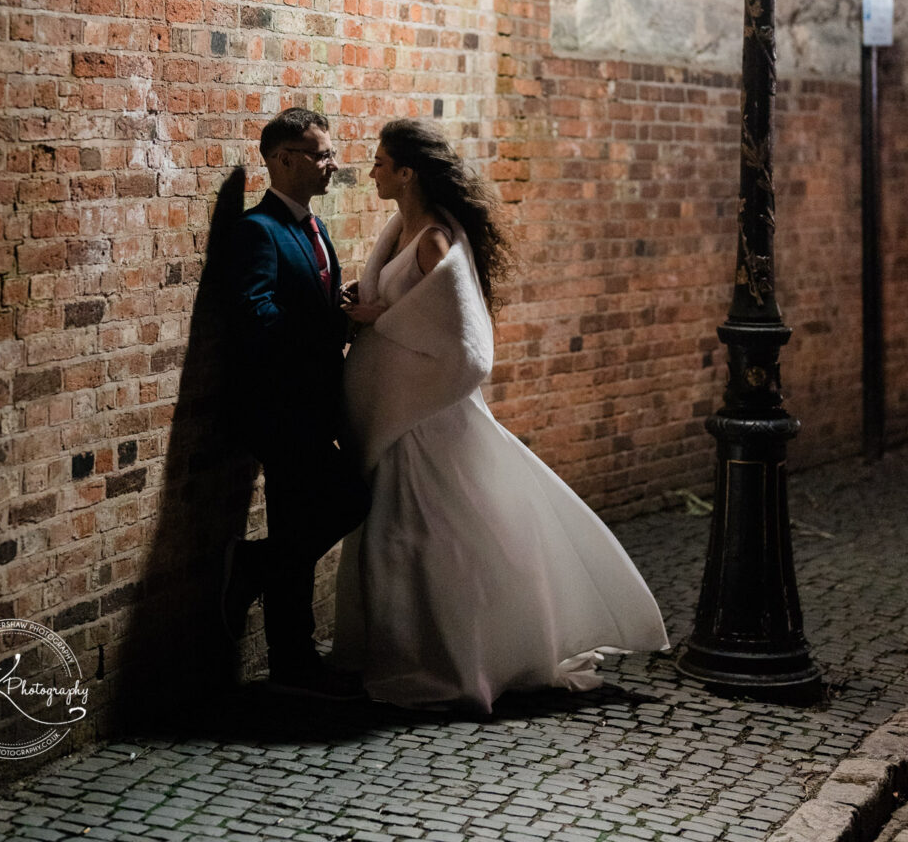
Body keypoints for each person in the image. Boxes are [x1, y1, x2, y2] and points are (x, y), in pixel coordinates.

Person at [332, 118, 668, 714]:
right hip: (400, 414)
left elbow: (464, 344)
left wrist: (379, 318)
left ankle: (456, 663)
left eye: (381, 161)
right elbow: (409, 308)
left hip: (427, 418)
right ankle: (410, 650)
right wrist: (371, 304)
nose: (372, 170)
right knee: (401, 534)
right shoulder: (399, 228)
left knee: (427, 537)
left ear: (407, 173)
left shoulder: (433, 241)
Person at [220, 108, 370, 699]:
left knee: (296, 524)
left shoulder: (314, 226)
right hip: (278, 409)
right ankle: (255, 569)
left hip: (312, 405)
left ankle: (293, 659)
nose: (332, 164)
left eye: (330, 153)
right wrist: (333, 322)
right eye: (321, 154)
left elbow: (307, 300)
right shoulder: (258, 230)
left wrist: (341, 302)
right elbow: (256, 316)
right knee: (350, 496)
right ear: (284, 159)